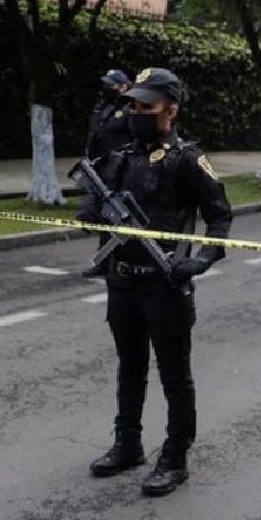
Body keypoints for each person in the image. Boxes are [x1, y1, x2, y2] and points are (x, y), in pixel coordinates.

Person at [75, 67, 233, 497]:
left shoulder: (188, 159)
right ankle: (128, 443)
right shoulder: (120, 156)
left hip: (165, 284)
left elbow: (220, 217)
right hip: (122, 281)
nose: (136, 112)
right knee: (130, 367)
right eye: (133, 104)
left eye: (146, 106)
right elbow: (92, 195)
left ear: (171, 110)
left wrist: (200, 259)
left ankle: (176, 455)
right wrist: (90, 212)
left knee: (174, 374)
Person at [80, 68, 133, 278]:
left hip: (120, 171)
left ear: (123, 86)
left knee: (117, 217)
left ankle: (115, 261)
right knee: (94, 214)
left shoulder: (131, 108)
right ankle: (105, 262)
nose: (106, 88)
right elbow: (94, 136)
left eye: (111, 85)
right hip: (98, 169)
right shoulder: (103, 107)